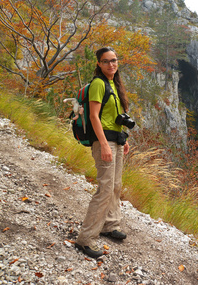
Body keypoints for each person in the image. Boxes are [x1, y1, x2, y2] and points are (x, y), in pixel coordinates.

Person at [75, 47, 131, 259]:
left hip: (115, 140)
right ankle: (85, 239)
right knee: (105, 188)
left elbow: (115, 118)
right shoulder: (99, 84)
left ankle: (110, 225)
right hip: (104, 142)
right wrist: (105, 144)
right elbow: (94, 117)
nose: (111, 65)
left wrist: (121, 139)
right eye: (106, 61)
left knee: (115, 186)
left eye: (114, 60)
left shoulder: (113, 85)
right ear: (98, 63)